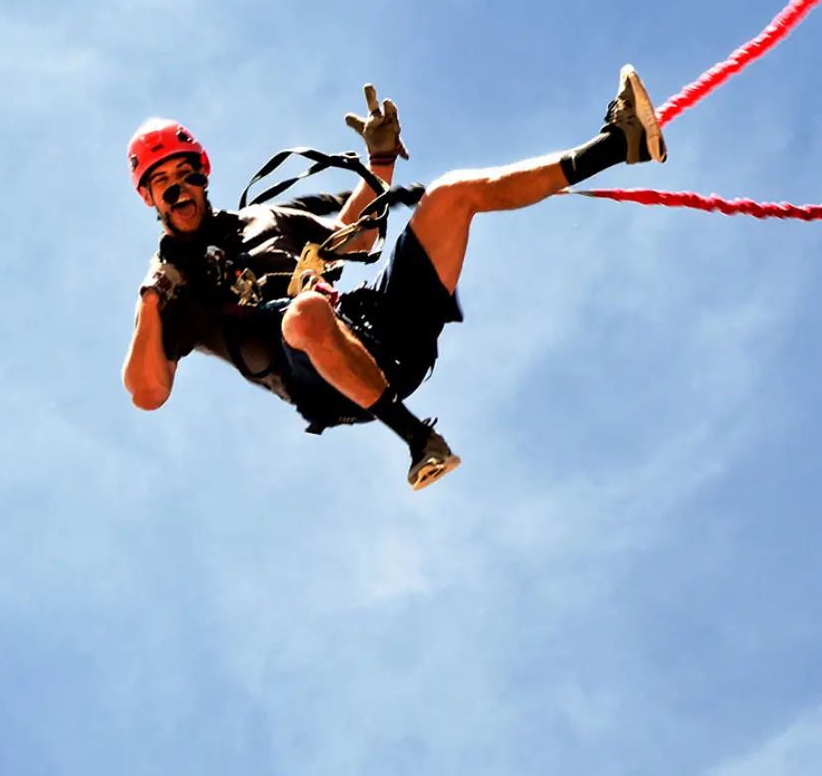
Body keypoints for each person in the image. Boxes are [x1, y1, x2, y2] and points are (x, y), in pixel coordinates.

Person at [122, 69, 667, 490]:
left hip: (382, 329)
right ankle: (418, 440)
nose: (175, 190)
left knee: (452, 194)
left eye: (180, 175)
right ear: (149, 199)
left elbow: (356, 235)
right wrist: (154, 294)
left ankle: (619, 145)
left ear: (201, 174)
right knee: (305, 315)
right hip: (328, 382)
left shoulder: (269, 218)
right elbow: (147, 393)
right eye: (160, 183)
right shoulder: (176, 290)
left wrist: (379, 158)